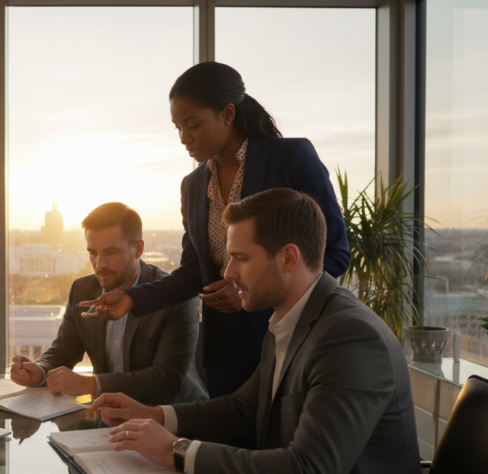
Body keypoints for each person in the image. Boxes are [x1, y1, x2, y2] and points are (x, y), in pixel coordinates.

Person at [91, 189, 431, 474]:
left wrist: (177, 450)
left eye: (240, 258)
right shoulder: (290, 318)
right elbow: (244, 407)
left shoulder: (350, 337)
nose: (228, 272)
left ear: (287, 258)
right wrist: (154, 414)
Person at [82, 62, 350, 398]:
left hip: (291, 337)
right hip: (225, 349)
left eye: (192, 124)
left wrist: (248, 292)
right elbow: (194, 272)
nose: (184, 138)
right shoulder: (193, 185)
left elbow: (335, 254)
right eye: (177, 127)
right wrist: (131, 297)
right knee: (228, 441)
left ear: (227, 114)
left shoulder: (290, 157)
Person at [10, 202, 207, 406]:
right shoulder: (82, 288)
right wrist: (40, 371)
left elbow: (166, 380)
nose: (100, 264)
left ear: (138, 249)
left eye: (111, 252)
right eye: (93, 253)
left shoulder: (174, 294)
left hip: (174, 418)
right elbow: (64, 351)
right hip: (108, 417)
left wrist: (89, 385)